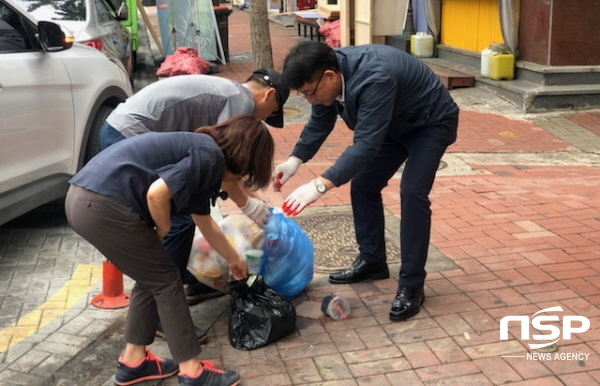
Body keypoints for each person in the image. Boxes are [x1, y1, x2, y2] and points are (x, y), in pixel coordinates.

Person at [65, 115, 273, 386]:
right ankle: (192, 371)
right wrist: (162, 229)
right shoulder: (209, 156)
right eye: (246, 171)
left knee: (152, 278)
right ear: (244, 156)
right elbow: (156, 194)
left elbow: (205, 222)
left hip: (83, 200)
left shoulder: (203, 155)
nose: (241, 178)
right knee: (166, 280)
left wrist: (234, 258)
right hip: (103, 204)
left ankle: (134, 361)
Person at [273, 41, 459, 322]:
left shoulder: (374, 77)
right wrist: (295, 159)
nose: (310, 100)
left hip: (430, 123)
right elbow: (320, 122)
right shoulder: (328, 79)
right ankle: (373, 261)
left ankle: (411, 284)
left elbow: (366, 145)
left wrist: (319, 185)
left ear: (330, 77)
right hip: (393, 125)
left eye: (310, 93)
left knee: (412, 194)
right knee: (364, 184)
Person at [99, 70, 289, 340]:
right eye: (272, 112)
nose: (264, 120)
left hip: (122, 131)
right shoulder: (241, 102)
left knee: (184, 214)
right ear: (269, 95)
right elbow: (227, 164)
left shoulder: (230, 92)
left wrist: (257, 204)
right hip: (127, 136)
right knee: (177, 221)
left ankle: (192, 283)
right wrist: (251, 207)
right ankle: (161, 315)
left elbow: (227, 170)